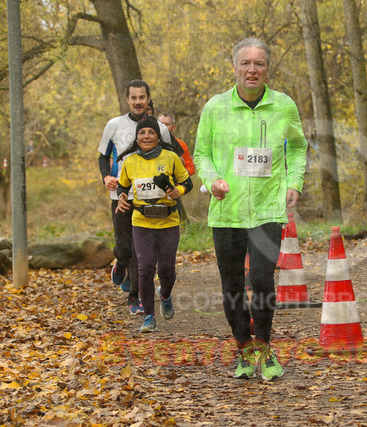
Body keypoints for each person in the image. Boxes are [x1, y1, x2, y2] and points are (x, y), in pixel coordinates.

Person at [193, 37, 308, 381]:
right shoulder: (215, 107)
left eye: (259, 63)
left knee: (260, 279)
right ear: (235, 68)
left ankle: (265, 347)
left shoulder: (283, 105)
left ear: (267, 69)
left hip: (267, 208)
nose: (252, 70)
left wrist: (294, 182)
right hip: (226, 211)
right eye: (246, 63)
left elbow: (298, 147)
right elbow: (202, 154)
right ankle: (244, 350)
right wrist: (212, 179)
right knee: (231, 285)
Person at [97, 79, 182, 315]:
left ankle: (135, 297)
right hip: (122, 195)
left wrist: (173, 185)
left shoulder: (160, 128)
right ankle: (121, 262)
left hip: (152, 197)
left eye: (141, 97)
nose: (138, 102)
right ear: (127, 100)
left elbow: (176, 156)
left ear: (148, 99)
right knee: (125, 248)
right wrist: (106, 177)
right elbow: (103, 157)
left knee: (140, 251)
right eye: (133, 98)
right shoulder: (114, 125)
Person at [116, 116, 193, 333]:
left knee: (167, 269)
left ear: (158, 136)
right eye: (142, 133)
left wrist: (178, 191)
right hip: (141, 222)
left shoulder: (170, 157)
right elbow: (122, 186)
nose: (146, 136)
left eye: (151, 132)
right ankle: (149, 317)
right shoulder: (130, 161)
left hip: (168, 221)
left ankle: (165, 294)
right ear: (137, 138)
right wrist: (122, 197)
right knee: (146, 267)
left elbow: (187, 182)